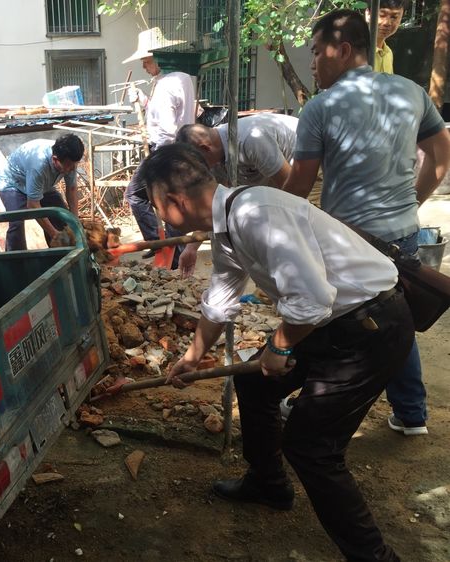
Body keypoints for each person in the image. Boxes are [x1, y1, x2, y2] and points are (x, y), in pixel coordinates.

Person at [146, 143, 413, 562]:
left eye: (156, 205)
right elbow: (220, 300)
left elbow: (312, 300)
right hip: (330, 326)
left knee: (312, 448)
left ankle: (375, 557)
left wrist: (277, 346)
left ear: (174, 201)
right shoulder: (229, 224)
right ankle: (268, 484)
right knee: (252, 385)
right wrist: (193, 358)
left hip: (369, 329)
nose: (159, 216)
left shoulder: (256, 214)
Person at [283, 9, 450, 436]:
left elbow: (299, 185)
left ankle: (307, 398)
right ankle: (412, 414)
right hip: (403, 234)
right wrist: (410, 202)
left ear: (344, 50)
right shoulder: (411, 92)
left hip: (349, 238)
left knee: (327, 314)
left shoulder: (320, 108)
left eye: (318, 53)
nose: (313, 63)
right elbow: (441, 157)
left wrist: (275, 224)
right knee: (399, 318)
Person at [175, 114, 298, 276]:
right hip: (272, 175)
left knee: (292, 232)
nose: (200, 169)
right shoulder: (215, 158)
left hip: (304, 164)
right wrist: (191, 247)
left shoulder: (251, 139)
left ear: (205, 148)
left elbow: (293, 190)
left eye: (198, 163)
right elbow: (216, 206)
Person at [123, 27, 196, 261]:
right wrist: (143, 100)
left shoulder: (164, 86)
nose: (145, 66)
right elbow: (168, 114)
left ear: (157, 57)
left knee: (135, 194)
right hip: (182, 149)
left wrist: (158, 160)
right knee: (172, 200)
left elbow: (165, 127)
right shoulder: (181, 78)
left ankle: (161, 244)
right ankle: (172, 252)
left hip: (165, 150)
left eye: (146, 61)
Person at [0, 134, 83, 251]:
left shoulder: (69, 161)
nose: (72, 169)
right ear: (55, 160)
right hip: (13, 183)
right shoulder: (38, 165)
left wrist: (75, 222)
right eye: (69, 166)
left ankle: (59, 258)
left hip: (40, 185)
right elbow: (33, 205)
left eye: (74, 164)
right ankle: (14, 263)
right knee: (17, 222)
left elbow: (71, 189)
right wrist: (54, 234)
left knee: (62, 218)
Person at [366, 0, 406, 74]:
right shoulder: (358, 52)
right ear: (368, 14)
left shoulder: (388, 52)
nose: (387, 23)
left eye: (394, 17)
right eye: (382, 15)